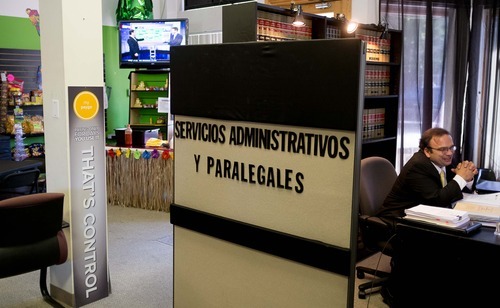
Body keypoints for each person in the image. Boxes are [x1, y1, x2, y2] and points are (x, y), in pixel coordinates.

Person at [377, 127, 479, 228]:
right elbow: (437, 201)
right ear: (427, 151)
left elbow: (454, 191)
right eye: (443, 149)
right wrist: (461, 178)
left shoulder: (443, 160)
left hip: (428, 218)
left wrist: (468, 178)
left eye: (451, 147)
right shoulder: (417, 166)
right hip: (399, 222)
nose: (450, 153)